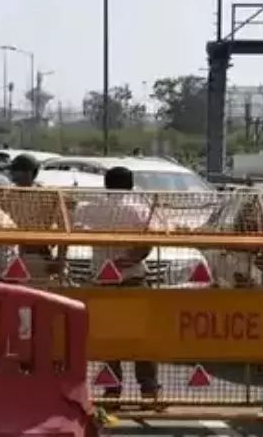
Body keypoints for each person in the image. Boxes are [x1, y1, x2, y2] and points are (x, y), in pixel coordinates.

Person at [73, 166, 157, 401]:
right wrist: (126, 261)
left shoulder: (90, 208)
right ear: (131, 185)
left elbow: (74, 225)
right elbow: (147, 244)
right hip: (133, 280)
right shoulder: (139, 209)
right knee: (141, 339)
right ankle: (148, 390)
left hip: (103, 282)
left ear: (106, 184)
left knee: (108, 338)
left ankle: (112, 390)